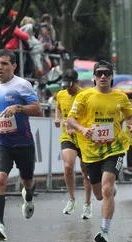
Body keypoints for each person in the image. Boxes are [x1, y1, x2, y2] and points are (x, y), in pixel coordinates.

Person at [67, 60, 132, 242]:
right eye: (99, 73)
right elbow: (71, 119)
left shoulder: (120, 97)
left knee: (106, 187)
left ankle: (104, 231)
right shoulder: (84, 96)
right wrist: (82, 130)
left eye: (107, 73)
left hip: (115, 148)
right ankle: (110, 191)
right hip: (91, 151)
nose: (103, 76)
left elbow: (130, 116)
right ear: (94, 77)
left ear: (112, 76)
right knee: (100, 194)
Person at [0, 49, 42, 241]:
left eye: (4, 64)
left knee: (27, 180)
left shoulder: (22, 85)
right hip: (1, 141)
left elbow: (37, 108)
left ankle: (28, 196)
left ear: (14, 66)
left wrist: (18, 107)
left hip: (23, 141)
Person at [54, 69, 92, 219]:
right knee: (68, 166)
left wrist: (77, 127)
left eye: (70, 86)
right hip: (67, 136)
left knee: (86, 173)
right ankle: (72, 199)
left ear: (77, 83)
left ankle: (87, 205)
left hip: (83, 137)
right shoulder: (61, 94)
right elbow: (58, 107)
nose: (68, 89)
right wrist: (57, 118)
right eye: (65, 86)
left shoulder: (85, 95)